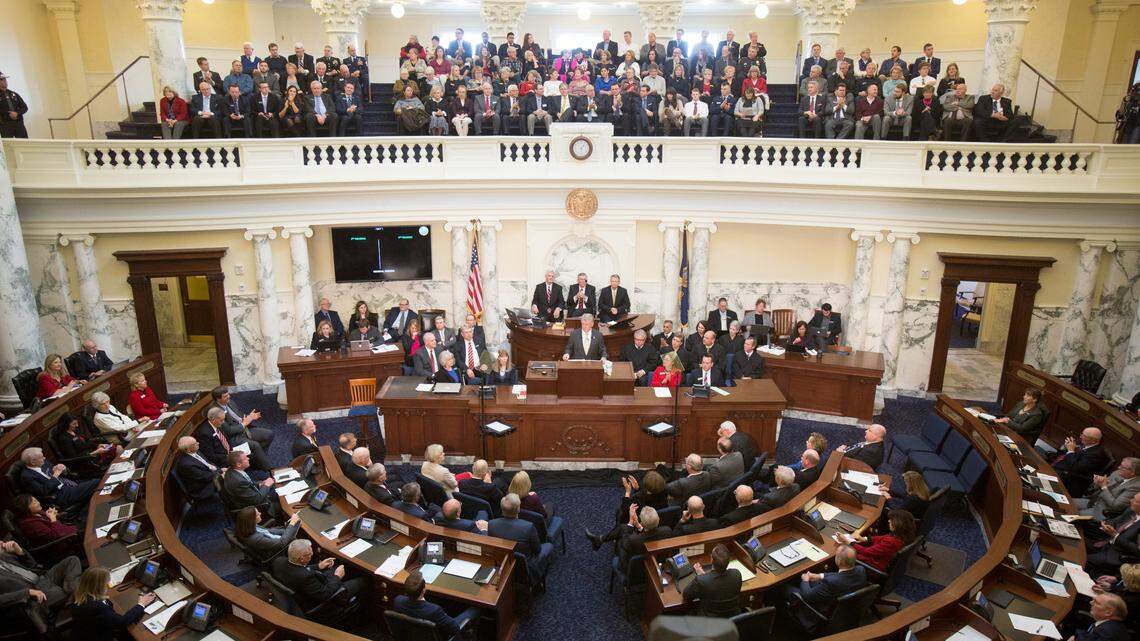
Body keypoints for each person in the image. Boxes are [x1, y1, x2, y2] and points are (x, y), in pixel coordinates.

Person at [272, 539, 363, 624]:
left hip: (313, 584)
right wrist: (337, 577)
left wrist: (319, 566)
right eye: (310, 554)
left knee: (341, 567)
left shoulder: (279, 561)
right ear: (302, 558)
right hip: (325, 595)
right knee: (362, 580)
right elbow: (325, 594)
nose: (312, 554)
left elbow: (299, 568)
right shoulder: (305, 577)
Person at [785, 545, 868, 631]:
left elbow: (807, 596)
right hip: (847, 609)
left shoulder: (831, 583)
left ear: (839, 561)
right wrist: (820, 576)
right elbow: (840, 575)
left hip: (822, 609)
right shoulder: (861, 570)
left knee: (785, 587)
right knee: (812, 581)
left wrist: (805, 580)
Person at [69, 566, 154, 641]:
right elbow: (122, 622)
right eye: (107, 582)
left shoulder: (78, 594)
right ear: (99, 586)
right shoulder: (98, 607)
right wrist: (141, 604)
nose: (108, 584)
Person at [394, 569, 481, 635]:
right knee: (475, 609)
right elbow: (455, 628)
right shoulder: (434, 610)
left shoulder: (397, 600)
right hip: (443, 634)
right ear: (423, 590)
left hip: (412, 635)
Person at [489, 494, 554, 582]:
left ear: (502, 509)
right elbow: (537, 550)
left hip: (503, 563)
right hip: (525, 566)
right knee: (549, 546)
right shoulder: (528, 527)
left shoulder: (491, 524)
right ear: (518, 509)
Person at [211, 386, 273, 471]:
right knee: (255, 445)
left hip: (244, 429)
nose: (229, 397)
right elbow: (229, 431)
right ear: (218, 399)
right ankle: (269, 470)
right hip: (234, 437)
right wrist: (244, 424)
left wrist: (249, 417)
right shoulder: (216, 412)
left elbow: (238, 415)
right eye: (225, 396)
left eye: (228, 394)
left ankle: (258, 460)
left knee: (269, 434)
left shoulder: (230, 402)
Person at [18, 448, 97, 513]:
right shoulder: (27, 477)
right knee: (96, 482)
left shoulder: (44, 463)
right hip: (60, 494)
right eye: (41, 457)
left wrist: (63, 469)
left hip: (69, 483)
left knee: (94, 482)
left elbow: (61, 473)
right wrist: (56, 474)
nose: (44, 458)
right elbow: (44, 491)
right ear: (33, 462)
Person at [838, 509, 917, 572]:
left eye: (891, 520)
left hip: (873, 565)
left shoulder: (892, 542)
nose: (889, 521)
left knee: (842, 552)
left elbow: (866, 552)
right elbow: (881, 538)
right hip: (879, 558)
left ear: (898, 524)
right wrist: (864, 539)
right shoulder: (900, 535)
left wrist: (849, 542)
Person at [1086, 493, 1140, 576]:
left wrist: (1115, 536)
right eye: (1133, 498)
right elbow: (1116, 521)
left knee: (1084, 559)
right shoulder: (1131, 510)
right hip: (1105, 542)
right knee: (1078, 541)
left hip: (1117, 554)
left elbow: (1137, 550)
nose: (1130, 500)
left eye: (1135, 501)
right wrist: (1106, 524)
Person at [682, 543, 742, 617]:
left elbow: (686, 595)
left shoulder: (701, 581)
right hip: (732, 617)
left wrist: (701, 577)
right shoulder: (736, 574)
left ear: (712, 560)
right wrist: (704, 576)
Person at [223, 450, 282, 522]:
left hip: (251, 495)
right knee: (281, 496)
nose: (248, 458)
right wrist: (266, 485)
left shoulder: (233, 470)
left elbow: (249, 483)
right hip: (258, 507)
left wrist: (260, 484)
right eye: (245, 458)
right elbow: (257, 499)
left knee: (277, 488)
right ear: (239, 464)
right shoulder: (238, 481)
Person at [1055, 427, 1112, 497]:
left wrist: (1070, 450)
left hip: (1071, 481)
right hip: (1060, 470)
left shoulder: (1097, 455)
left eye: (1084, 436)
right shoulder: (1085, 443)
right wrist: (1065, 447)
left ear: (1093, 441)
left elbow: (1075, 468)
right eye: (1082, 434)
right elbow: (1064, 455)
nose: (1080, 436)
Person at [12, 495, 77, 552]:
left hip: (66, 530)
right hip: (63, 540)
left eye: (36, 500)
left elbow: (53, 524)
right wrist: (53, 518)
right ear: (25, 508)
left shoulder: (37, 513)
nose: (38, 503)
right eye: (34, 502)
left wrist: (52, 514)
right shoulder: (30, 524)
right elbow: (56, 535)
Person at [55, 414, 119, 467]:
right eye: (74, 424)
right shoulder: (64, 439)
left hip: (93, 453)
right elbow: (74, 458)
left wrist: (98, 445)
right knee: (115, 452)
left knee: (118, 447)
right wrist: (95, 452)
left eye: (77, 423)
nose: (77, 425)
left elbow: (87, 441)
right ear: (66, 424)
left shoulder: (75, 430)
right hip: (86, 460)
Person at [0, 73, 29, 138]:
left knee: (24, 142)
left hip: (18, 123)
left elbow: (25, 107)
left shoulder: (13, 94)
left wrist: (17, 113)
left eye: (5, 79)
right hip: (5, 124)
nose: (5, 81)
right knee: (8, 143)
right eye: (2, 80)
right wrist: (8, 114)